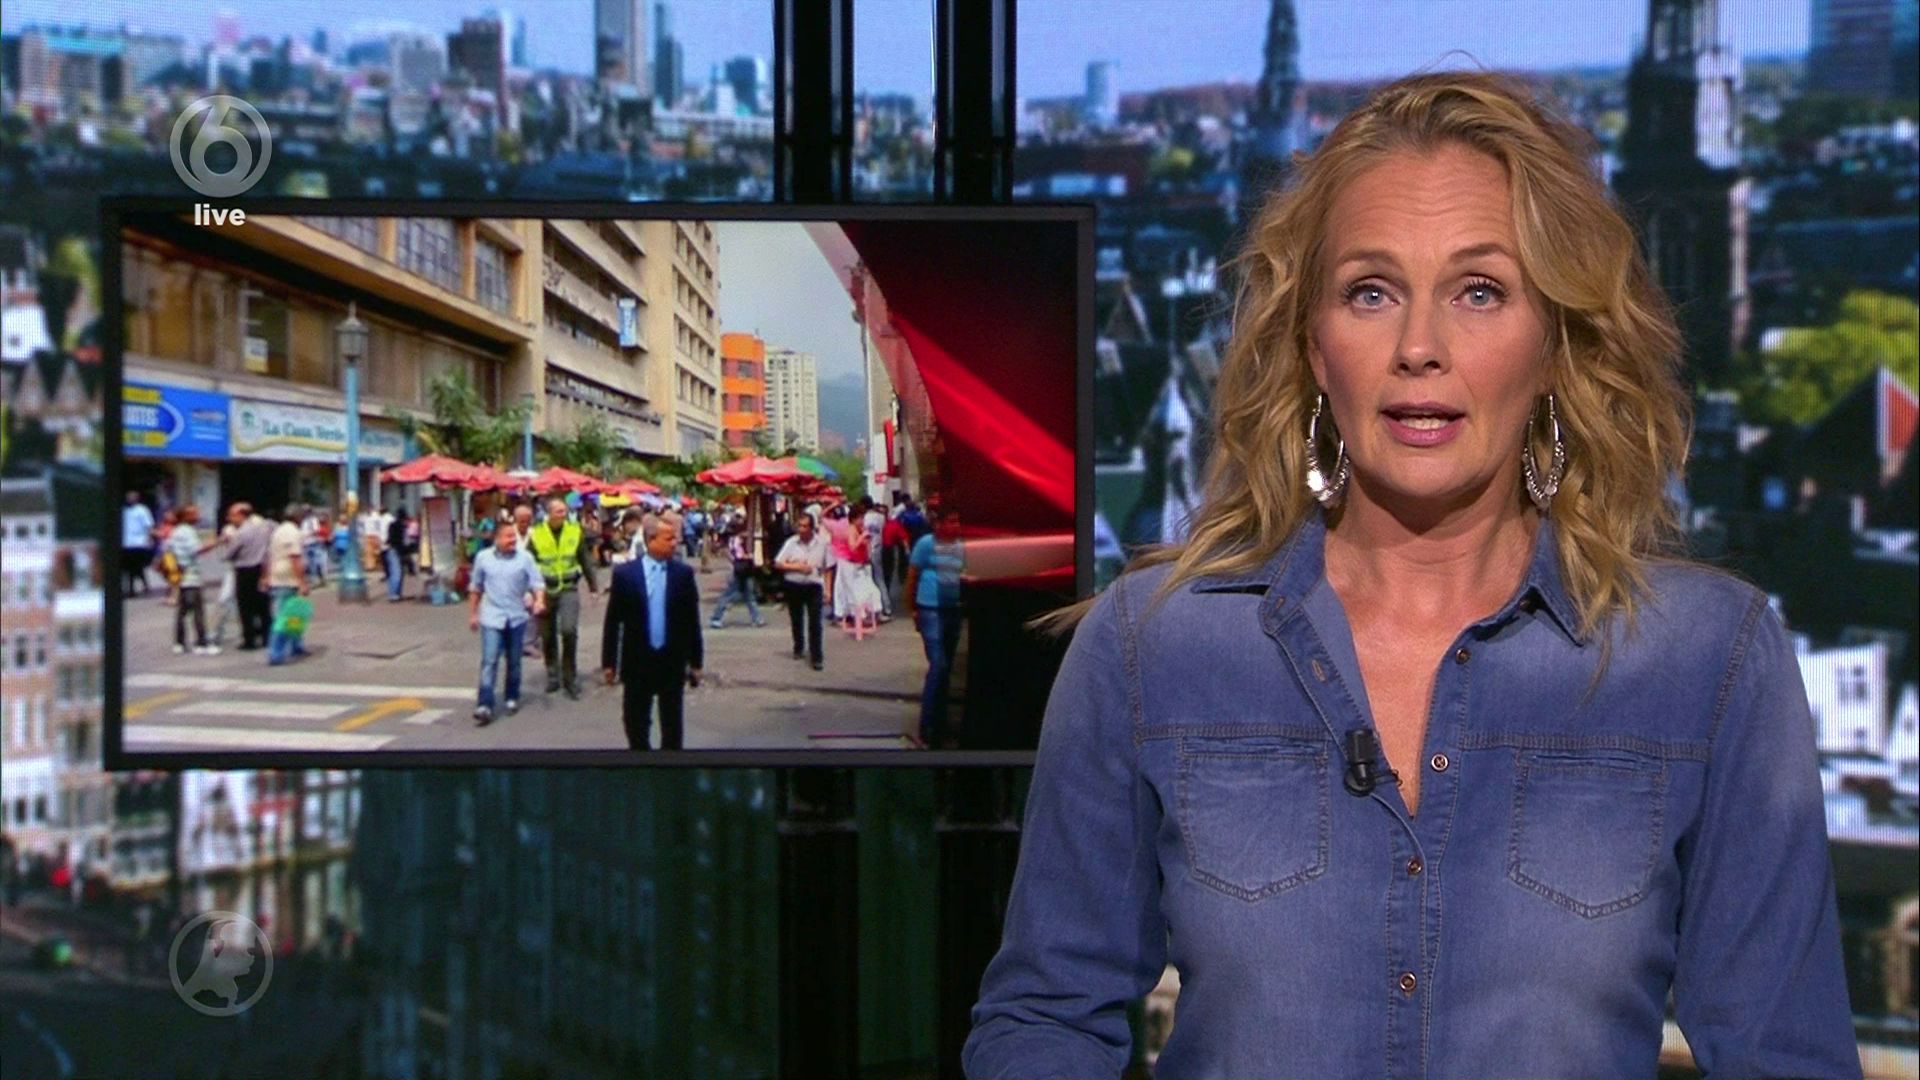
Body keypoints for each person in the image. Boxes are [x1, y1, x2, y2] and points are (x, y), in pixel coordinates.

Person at [962, 72, 1859, 1079]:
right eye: (1371, 292)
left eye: (1480, 292)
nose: (1419, 348)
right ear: (1314, 344)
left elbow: (1788, 1057)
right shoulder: (1151, 645)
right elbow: (1044, 1019)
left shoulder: (1708, 661)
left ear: (1555, 343)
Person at [602, 518, 704, 751]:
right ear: (650, 541)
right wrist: (609, 662)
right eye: (668, 539)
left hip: (671, 658)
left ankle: (669, 765)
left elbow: (692, 620)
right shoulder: (626, 575)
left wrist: (696, 661)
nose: (675, 543)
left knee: (672, 723)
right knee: (635, 721)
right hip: (637, 659)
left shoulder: (683, 574)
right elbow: (613, 621)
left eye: (675, 538)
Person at [467, 522, 546, 726]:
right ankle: (484, 704)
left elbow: (537, 583)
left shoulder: (525, 558)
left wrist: (539, 601)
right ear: (497, 539)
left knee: (514, 661)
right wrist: (473, 614)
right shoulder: (483, 558)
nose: (512, 540)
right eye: (508, 537)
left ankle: (512, 696)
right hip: (491, 617)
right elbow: (476, 587)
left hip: (516, 617)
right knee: (489, 660)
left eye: (514, 537)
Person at [527, 496, 601, 700]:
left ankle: (570, 677)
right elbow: (528, 563)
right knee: (547, 635)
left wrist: (593, 587)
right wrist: (527, 591)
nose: (563, 514)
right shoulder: (537, 534)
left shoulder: (574, 531)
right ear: (549, 514)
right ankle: (553, 674)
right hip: (544, 590)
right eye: (559, 511)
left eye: (564, 511)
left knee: (569, 630)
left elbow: (585, 559)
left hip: (569, 588)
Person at [906, 504, 966, 746]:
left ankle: (941, 722)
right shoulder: (925, 544)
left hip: (954, 610)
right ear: (938, 524)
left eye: (958, 521)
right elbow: (912, 577)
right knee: (938, 664)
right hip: (930, 609)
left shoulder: (963, 547)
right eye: (951, 521)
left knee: (946, 667)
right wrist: (912, 609)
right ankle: (927, 726)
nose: (956, 525)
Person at [773, 510, 833, 671]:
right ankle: (798, 646)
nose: (801, 529)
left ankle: (816, 656)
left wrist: (828, 590)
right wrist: (797, 567)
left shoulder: (822, 543)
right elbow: (778, 563)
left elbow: (828, 568)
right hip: (794, 584)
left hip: (814, 585)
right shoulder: (791, 543)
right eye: (799, 526)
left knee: (815, 622)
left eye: (805, 526)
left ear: (812, 528)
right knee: (796, 619)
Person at [165, 505, 220, 656]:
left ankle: (179, 643)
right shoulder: (187, 531)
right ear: (186, 516)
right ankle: (201, 643)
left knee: (182, 611)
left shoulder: (175, 532)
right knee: (197, 611)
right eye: (194, 513)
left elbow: (168, 548)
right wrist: (217, 542)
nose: (198, 516)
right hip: (191, 576)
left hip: (181, 575)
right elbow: (196, 550)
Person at [264, 503, 310, 663]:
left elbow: (269, 556)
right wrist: (302, 582)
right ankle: (276, 652)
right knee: (284, 616)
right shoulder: (293, 533)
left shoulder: (278, 531)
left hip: (278, 575)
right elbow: (295, 558)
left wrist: (266, 576)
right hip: (288, 578)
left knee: (293, 613)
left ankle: (296, 644)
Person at [226, 503, 273, 651]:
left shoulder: (240, 533)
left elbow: (230, 554)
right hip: (260, 568)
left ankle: (250, 639)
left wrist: (227, 544)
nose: (230, 519)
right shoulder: (261, 529)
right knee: (263, 605)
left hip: (244, 570)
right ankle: (267, 637)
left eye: (232, 515)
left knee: (245, 607)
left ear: (241, 515)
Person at [708, 519, 766, 629]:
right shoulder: (735, 541)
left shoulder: (735, 541)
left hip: (743, 571)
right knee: (729, 595)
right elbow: (737, 556)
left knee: (748, 595)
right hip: (740, 571)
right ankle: (716, 618)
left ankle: (757, 618)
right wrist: (748, 557)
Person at [860, 497, 891, 618]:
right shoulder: (881, 517)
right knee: (879, 579)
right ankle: (886, 606)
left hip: (867, 550)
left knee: (868, 580)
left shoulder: (864, 518)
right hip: (878, 548)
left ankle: (872, 608)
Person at [122, 491, 156, 598]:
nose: (130, 499)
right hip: (126, 543)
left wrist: (150, 539)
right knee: (129, 568)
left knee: (136, 566)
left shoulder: (142, 510)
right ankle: (138, 587)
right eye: (128, 497)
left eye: (132, 497)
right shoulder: (124, 511)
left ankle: (133, 589)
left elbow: (149, 525)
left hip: (139, 543)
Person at [384, 509, 409, 602]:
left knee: (396, 573)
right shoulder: (401, 527)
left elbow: (390, 539)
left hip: (392, 550)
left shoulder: (393, 525)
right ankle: (394, 594)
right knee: (397, 573)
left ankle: (395, 594)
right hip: (396, 550)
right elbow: (401, 541)